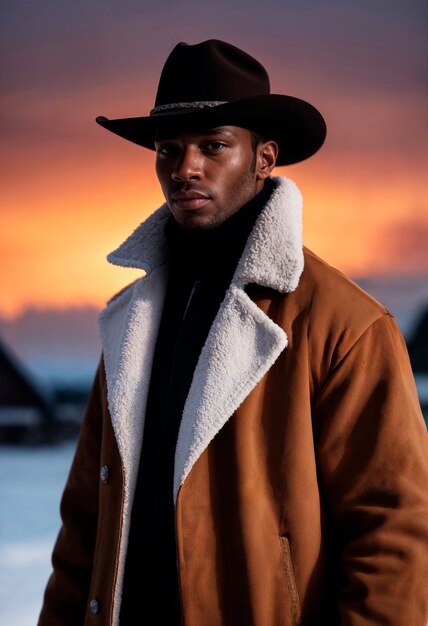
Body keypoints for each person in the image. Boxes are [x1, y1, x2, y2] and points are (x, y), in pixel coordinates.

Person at [37, 39, 428, 626]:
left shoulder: (346, 326)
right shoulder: (127, 320)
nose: (185, 167)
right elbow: (84, 533)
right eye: (168, 149)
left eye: (213, 145)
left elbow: (393, 537)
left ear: (264, 159)